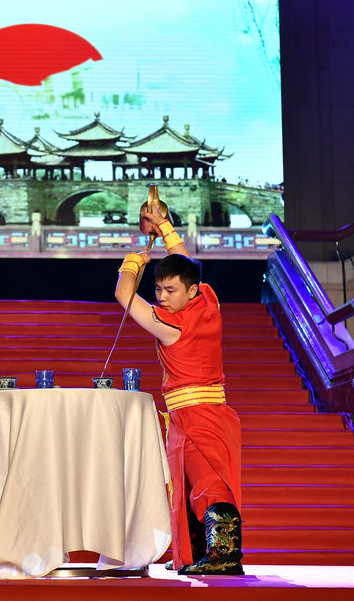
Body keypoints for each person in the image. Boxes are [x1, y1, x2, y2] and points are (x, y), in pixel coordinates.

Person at [113, 206, 244, 576]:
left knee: (208, 482)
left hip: (198, 415)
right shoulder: (209, 302)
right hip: (194, 414)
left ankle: (224, 556)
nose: (162, 296)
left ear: (190, 291)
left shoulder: (171, 324)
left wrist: (134, 261)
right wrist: (164, 226)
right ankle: (197, 554)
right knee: (189, 487)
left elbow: (124, 295)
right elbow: (186, 264)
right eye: (158, 289)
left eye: (170, 290)